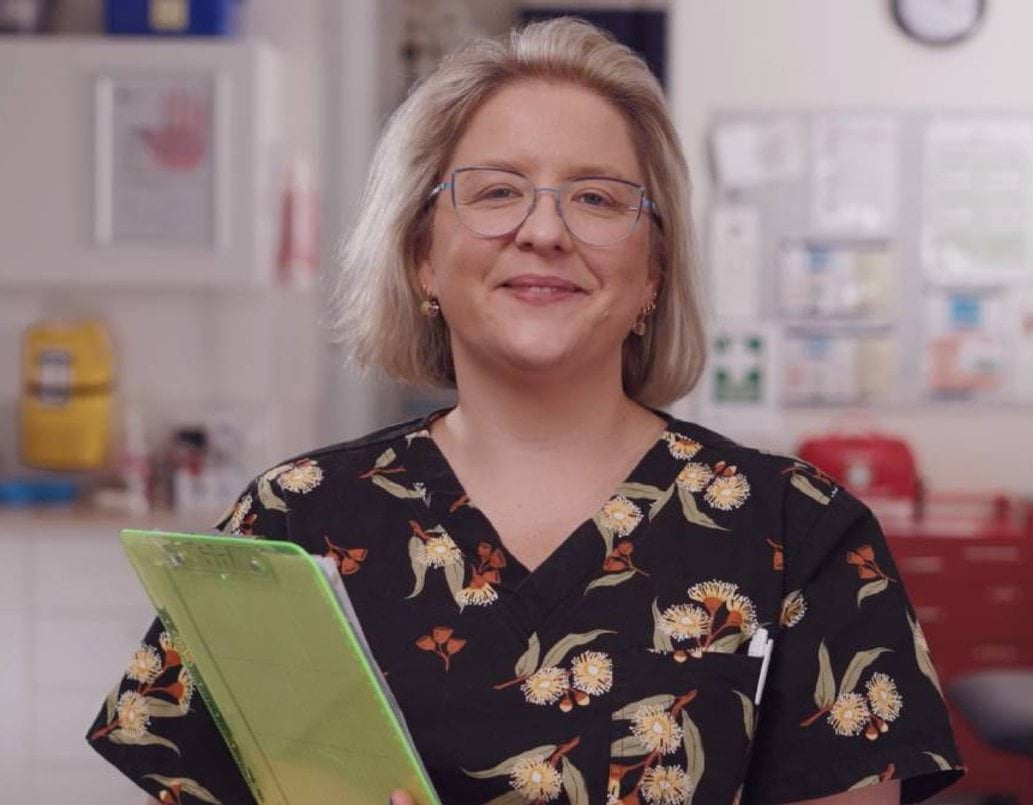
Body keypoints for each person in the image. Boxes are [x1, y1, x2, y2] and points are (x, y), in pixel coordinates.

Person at [87, 18, 963, 805]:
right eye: (498, 190)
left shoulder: (799, 533)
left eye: (596, 197)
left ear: (653, 273)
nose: (545, 230)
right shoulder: (293, 518)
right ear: (423, 254)